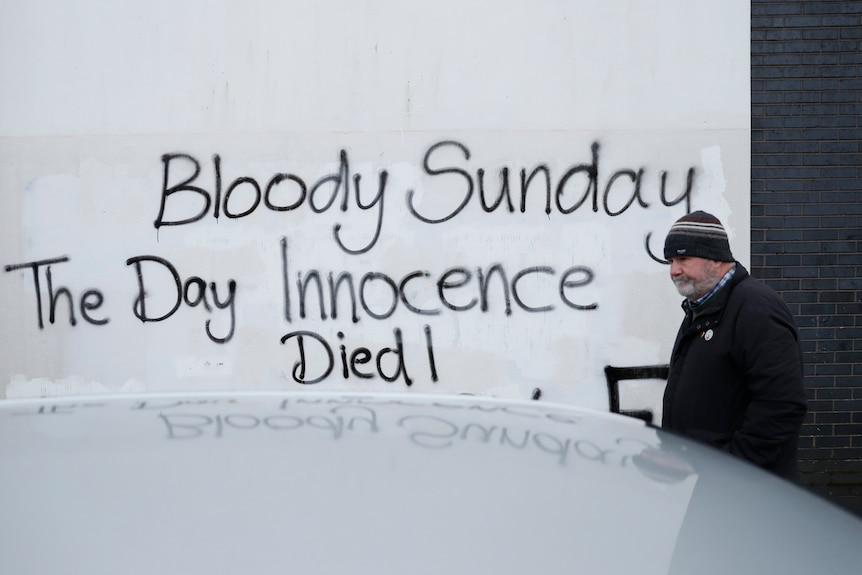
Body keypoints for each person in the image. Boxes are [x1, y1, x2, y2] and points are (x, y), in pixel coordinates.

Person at [661, 211, 808, 481]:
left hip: (749, 491)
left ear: (715, 257)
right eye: (670, 261)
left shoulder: (755, 309)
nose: (674, 270)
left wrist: (732, 466)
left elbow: (782, 404)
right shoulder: (703, 308)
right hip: (712, 482)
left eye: (683, 258)